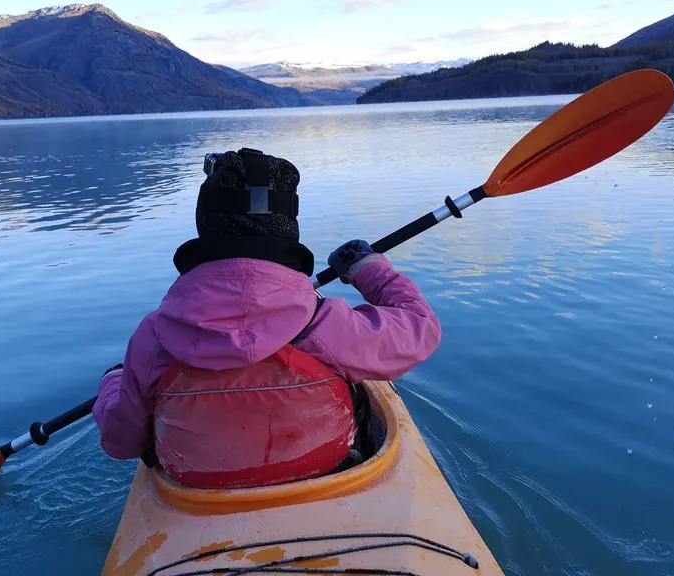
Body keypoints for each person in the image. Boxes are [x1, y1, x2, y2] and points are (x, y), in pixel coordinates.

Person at [92, 147, 441, 489]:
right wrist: (366, 266)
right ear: (288, 228)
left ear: (205, 224)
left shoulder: (153, 338)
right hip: (323, 474)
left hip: (198, 491)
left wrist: (113, 384)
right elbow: (420, 327)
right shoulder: (324, 326)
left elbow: (121, 443)